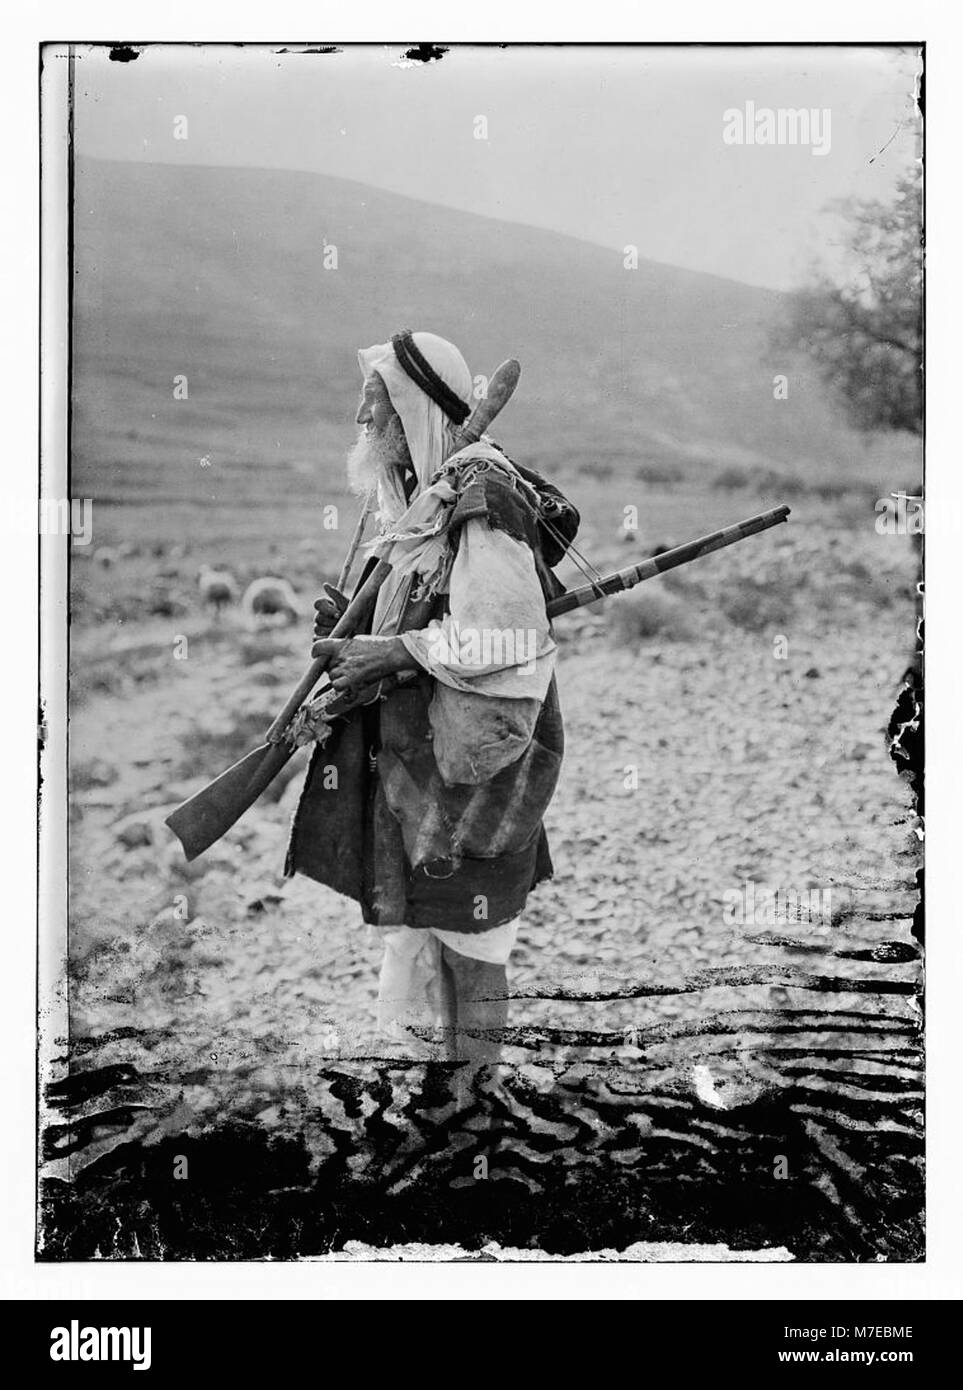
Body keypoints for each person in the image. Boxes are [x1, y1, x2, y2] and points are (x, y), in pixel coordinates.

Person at [284, 331, 578, 1087]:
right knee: (427, 930)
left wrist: (395, 651)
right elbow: (427, 609)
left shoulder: (479, 493)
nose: (361, 415)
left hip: (474, 759)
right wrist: (355, 622)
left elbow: (508, 634)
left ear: (413, 406)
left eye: (377, 402)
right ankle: (437, 1097)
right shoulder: (418, 497)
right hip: (412, 766)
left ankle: (472, 1106)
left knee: (472, 945)